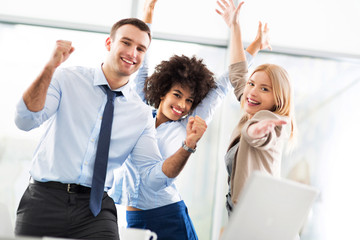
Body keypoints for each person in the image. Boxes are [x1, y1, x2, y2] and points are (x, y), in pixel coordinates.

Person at [14, 17, 208, 240]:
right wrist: (50, 68)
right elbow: (25, 120)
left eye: (140, 48)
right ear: (109, 43)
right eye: (126, 43)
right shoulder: (67, 78)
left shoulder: (140, 114)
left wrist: (188, 146)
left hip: (95, 209)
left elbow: (153, 179)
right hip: (43, 199)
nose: (132, 53)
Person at [108, 0, 272, 239]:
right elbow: (143, 68)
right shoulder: (142, 111)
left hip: (168, 216)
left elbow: (223, 85)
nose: (182, 106)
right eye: (177, 95)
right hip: (133, 218)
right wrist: (148, 15)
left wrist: (254, 46)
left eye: (189, 100)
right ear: (162, 91)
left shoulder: (188, 124)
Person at [216, 0, 296, 216]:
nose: (252, 91)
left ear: (278, 99)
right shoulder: (251, 107)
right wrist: (235, 27)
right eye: (252, 84)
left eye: (264, 89)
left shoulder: (272, 121)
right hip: (245, 211)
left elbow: (258, 134)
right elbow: (238, 73)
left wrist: (254, 130)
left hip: (261, 215)